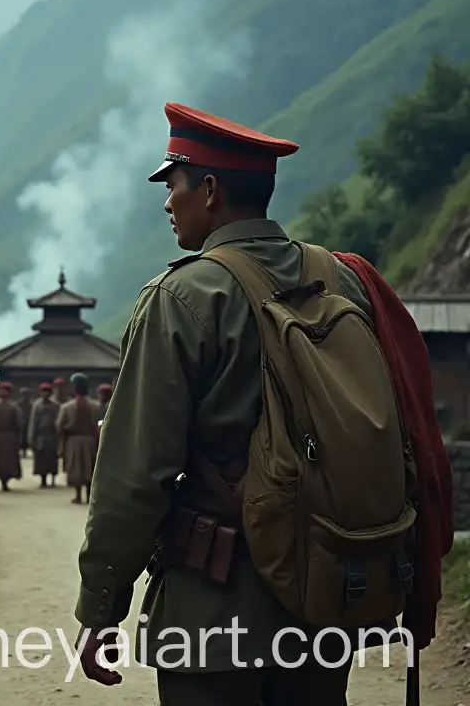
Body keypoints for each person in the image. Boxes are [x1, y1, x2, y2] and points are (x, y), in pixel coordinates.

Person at [74, 101, 454, 705]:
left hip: (216, 606)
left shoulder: (182, 297)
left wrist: (100, 606)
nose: (168, 201)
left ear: (211, 188)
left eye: (173, 183)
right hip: (328, 591)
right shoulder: (342, 278)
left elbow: (134, 473)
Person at [57, 373, 100, 504]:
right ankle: (88, 495)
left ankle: (78, 495)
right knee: (89, 467)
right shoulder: (96, 406)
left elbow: (60, 426)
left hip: (74, 440)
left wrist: (62, 442)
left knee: (76, 468)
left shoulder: (66, 407)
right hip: (91, 440)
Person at [0, 381, 22, 490]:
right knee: (5, 460)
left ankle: (1, 482)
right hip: (7, 436)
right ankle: (4, 483)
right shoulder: (13, 407)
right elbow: (19, 424)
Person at [28, 382, 60, 487]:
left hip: (52, 434)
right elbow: (33, 422)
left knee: (52, 458)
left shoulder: (55, 406)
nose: (45, 394)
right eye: (43, 392)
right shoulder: (37, 406)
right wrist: (32, 437)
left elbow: (58, 421)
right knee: (41, 458)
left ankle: (53, 479)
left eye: (47, 392)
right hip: (40, 435)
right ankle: (43, 480)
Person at [16, 386, 33, 457]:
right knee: (20, 438)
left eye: (27, 394)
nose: (25, 396)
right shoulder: (18, 404)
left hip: (28, 422)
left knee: (26, 438)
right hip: (20, 423)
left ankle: (25, 451)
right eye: (24, 394)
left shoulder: (31, 405)